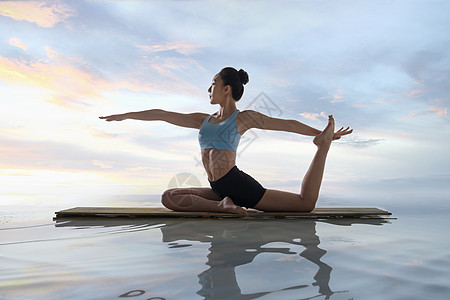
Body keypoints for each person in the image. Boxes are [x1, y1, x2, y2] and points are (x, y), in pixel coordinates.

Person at [100, 67, 352, 215]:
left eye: (212, 85)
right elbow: (163, 115)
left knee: (305, 204)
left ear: (226, 89)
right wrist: (126, 115)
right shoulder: (203, 120)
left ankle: (323, 147)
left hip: (238, 184)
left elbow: (286, 124)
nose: (208, 90)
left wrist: (321, 134)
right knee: (168, 196)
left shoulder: (243, 119)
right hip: (219, 188)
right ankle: (224, 206)